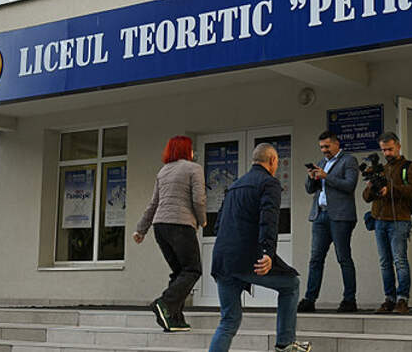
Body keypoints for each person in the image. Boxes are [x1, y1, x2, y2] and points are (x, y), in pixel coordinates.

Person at [208, 143, 312, 352]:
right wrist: (267, 253)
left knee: (229, 320)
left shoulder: (234, 186)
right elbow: (269, 220)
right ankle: (285, 343)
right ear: (273, 160)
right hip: (247, 258)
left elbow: (218, 225)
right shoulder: (269, 183)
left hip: (222, 260)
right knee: (291, 284)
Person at [133, 135, 207, 332]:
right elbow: (199, 199)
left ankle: (174, 318)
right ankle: (165, 303)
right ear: (186, 150)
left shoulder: (163, 171)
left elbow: (153, 204)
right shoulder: (194, 168)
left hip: (160, 227)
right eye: (191, 148)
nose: (193, 152)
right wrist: (202, 220)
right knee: (193, 270)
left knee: (179, 272)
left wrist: (141, 229)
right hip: (180, 225)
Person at [298, 131, 359, 313]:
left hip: (340, 216)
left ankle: (349, 300)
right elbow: (310, 190)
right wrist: (311, 177)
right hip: (320, 215)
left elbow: (350, 185)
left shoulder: (348, 160)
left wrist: (326, 176)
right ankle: (309, 299)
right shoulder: (322, 162)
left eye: (327, 146)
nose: (324, 150)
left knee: (343, 258)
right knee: (315, 259)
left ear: (336, 144)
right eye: (321, 147)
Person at [362, 132, 412, 314]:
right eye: (384, 150)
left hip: (399, 220)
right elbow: (366, 197)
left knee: (399, 260)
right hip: (379, 220)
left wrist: (391, 189)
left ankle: (402, 299)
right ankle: (389, 298)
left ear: (398, 146)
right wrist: (372, 186)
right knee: (385, 262)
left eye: (390, 149)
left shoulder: (409, 167)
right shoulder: (381, 169)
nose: (387, 153)